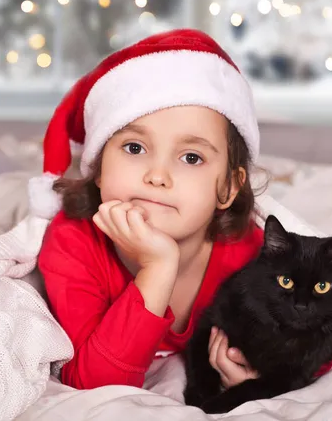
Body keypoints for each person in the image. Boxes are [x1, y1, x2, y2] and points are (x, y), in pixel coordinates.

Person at [34, 29, 264, 391]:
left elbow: (316, 339)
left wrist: (261, 374)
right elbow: (94, 383)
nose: (157, 176)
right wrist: (157, 268)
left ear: (228, 188)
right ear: (98, 165)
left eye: (191, 157)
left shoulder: (245, 248)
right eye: (135, 148)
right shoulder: (73, 241)